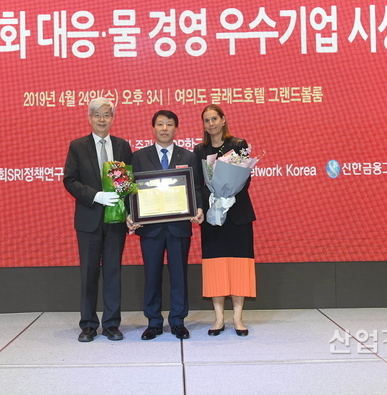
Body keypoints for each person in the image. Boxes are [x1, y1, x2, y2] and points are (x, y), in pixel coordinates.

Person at [127, 110, 203, 340]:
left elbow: (196, 187)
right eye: (160, 124)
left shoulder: (188, 156)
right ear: (153, 128)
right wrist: (130, 213)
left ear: (176, 129)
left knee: (179, 275)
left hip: (179, 226)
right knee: (152, 275)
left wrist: (199, 207)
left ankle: (178, 321)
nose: (164, 128)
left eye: (169, 124)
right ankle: (154, 322)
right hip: (150, 228)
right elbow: (131, 189)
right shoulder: (139, 156)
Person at [63, 97, 132, 342]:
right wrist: (96, 196)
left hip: (115, 220)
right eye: (97, 115)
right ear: (90, 118)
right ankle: (89, 325)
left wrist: (130, 213)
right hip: (89, 219)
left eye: (107, 115)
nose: (102, 119)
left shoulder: (122, 146)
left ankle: (112, 324)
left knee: (113, 272)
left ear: (113, 118)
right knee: (89, 273)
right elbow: (70, 180)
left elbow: (128, 184)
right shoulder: (77, 146)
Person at [193, 104, 256, 337]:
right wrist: (210, 200)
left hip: (238, 213)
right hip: (212, 215)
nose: (211, 124)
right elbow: (198, 182)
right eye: (206, 120)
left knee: (239, 264)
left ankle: (238, 318)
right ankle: (218, 318)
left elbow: (245, 178)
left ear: (223, 120)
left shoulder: (239, 145)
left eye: (214, 119)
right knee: (216, 265)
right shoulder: (199, 150)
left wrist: (229, 196)